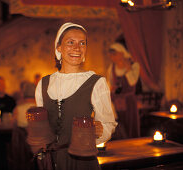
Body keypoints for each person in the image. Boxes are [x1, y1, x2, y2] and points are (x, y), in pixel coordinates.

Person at [35, 22, 117, 170]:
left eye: (82, 43)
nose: (77, 48)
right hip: (51, 162)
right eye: (70, 42)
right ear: (59, 47)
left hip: (82, 161)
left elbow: (108, 124)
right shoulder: (43, 83)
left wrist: (100, 131)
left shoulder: (96, 82)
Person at [107, 41, 141, 139]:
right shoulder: (112, 68)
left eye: (114, 54)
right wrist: (111, 89)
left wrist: (128, 68)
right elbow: (109, 84)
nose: (112, 57)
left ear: (121, 53)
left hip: (129, 102)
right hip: (117, 102)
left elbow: (132, 82)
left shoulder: (134, 65)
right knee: (119, 126)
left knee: (130, 125)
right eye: (111, 55)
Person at [10, 81, 36, 170]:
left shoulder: (17, 109)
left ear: (24, 94)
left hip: (22, 148)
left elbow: (12, 126)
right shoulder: (41, 108)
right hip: (38, 147)